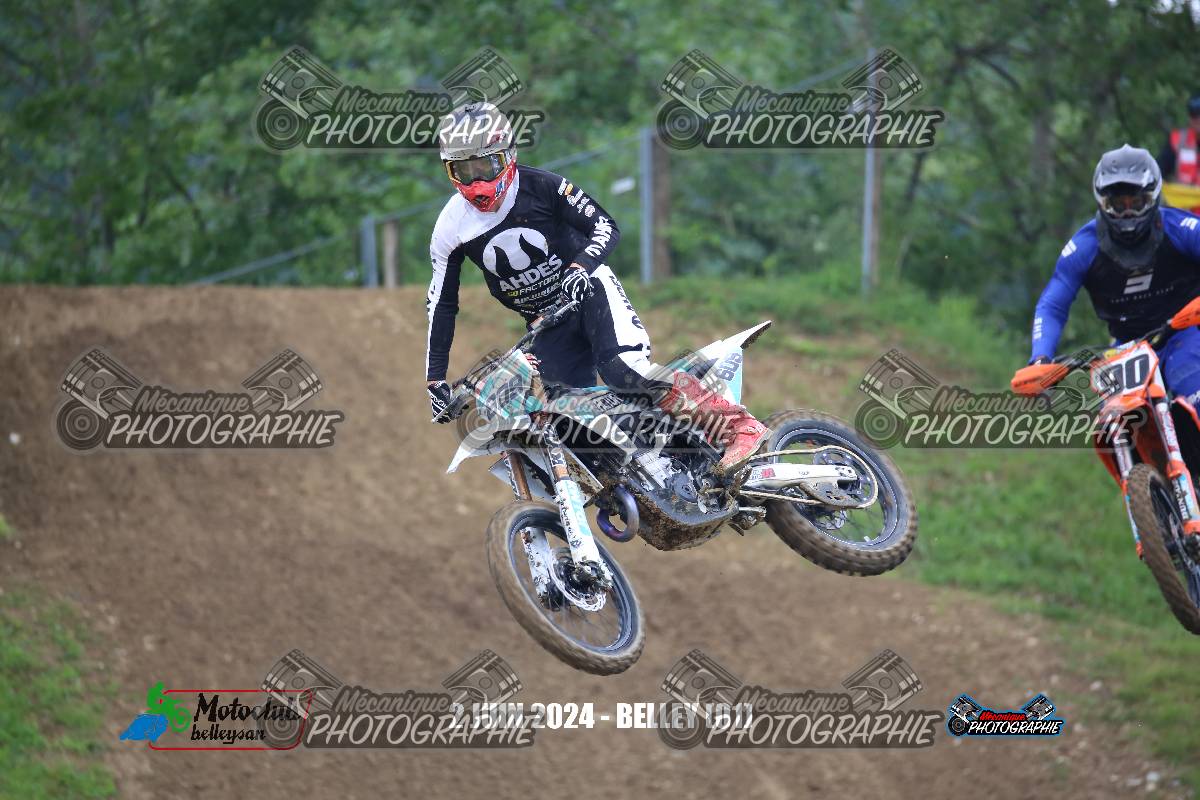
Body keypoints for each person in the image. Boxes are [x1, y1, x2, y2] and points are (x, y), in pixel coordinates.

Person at [423, 104, 769, 473]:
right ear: (449, 170)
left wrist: (579, 268)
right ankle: (648, 473)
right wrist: (435, 378)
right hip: (545, 323)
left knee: (623, 370)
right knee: (566, 422)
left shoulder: (543, 187)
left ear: (508, 156)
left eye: (485, 166)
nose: (476, 182)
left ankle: (738, 427)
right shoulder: (450, 227)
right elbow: (441, 303)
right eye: (464, 170)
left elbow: (605, 226)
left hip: (590, 292)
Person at [1012, 145, 1200, 404]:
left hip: (1187, 331)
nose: (1128, 213)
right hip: (1127, 346)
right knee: (1117, 415)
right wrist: (1040, 359)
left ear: (1153, 197)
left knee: (1192, 385)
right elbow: (1053, 305)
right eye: (1118, 205)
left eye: (1137, 203)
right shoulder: (1083, 248)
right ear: (1102, 203)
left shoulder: (1183, 229)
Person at [1156, 94, 1200, 186]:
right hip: (1181, 194)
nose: (1198, 119)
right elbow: (1157, 172)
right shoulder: (1177, 140)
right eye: (1194, 114)